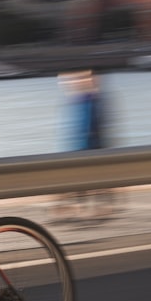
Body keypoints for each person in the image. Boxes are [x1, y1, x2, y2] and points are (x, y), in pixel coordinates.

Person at [56, 69, 114, 219]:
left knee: (87, 180)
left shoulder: (91, 98)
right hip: (82, 146)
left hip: (89, 146)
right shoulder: (83, 98)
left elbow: (94, 124)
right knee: (85, 180)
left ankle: (91, 206)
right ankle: (82, 206)